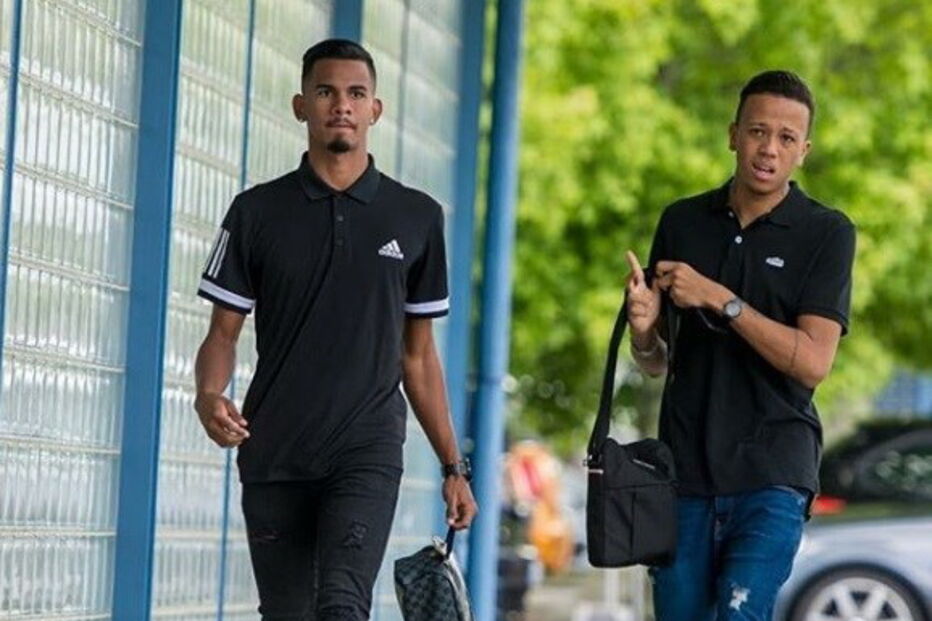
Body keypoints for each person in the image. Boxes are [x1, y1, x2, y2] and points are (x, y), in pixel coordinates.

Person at [193, 38, 477, 621]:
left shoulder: (417, 217)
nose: (340, 105)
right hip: (274, 450)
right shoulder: (256, 212)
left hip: (366, 448)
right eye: (326, 92)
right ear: (302, 106)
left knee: (344, 605)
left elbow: (418, 357)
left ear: (376, 110)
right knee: (288, 613)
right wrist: (207, 395)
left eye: (355, 93)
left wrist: (453, 467)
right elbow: (223, 333)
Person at [625, 70, 856, 620]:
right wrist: (642, 330)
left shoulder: (826, 233)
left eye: (785, 138)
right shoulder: (682, 221)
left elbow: (813, 362)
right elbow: (658, 362)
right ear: (733, 135)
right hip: (683, 471)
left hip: (773, 472)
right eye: (757, 132)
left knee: (738, 613)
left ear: (804, 151)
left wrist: (720, 299)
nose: (768, 149)